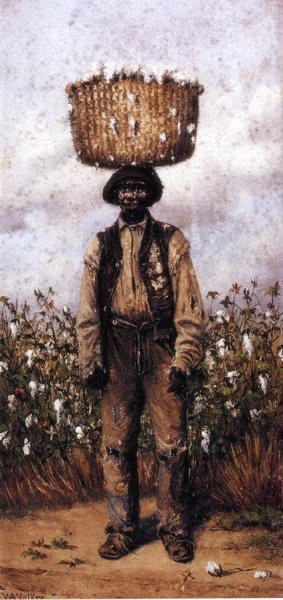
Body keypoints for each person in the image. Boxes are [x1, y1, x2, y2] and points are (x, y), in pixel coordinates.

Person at [76, 166, 206, 562]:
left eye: (138, 188)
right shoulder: (100, 244)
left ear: (150, 195)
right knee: (116, 444)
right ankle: (121, 529)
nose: (131, 195)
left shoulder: (171, 240)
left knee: (171, 443)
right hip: (116, 346)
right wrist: (91, 358)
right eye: (125, 189)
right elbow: (86, 310)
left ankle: (175, 529)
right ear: (115, 196)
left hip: (160, 344)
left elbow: (189, 306)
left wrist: (184, 359)